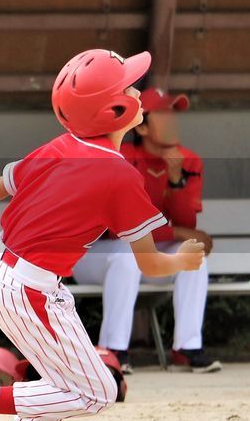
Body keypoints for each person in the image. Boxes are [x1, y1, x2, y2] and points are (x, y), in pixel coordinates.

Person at [0, 49, 205, 421]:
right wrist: (182, 262)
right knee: (96, 393)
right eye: (130, 89)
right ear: (113, 111)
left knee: (62, 385)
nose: (138, 92)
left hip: (8, 273)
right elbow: (151, 263)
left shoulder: (61, 146)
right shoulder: (119, 176)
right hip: (27, 287)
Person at [71, 88, 219, 373]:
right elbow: (119, 230)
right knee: (127, 254)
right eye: (163, 115)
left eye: (174, 114)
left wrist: (176, 181)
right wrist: (176, 234)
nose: (172, 121)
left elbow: (186, 222)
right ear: (141, 126)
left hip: (149, 256)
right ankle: (113, 351)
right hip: (94, 255)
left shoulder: (188, 160)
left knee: (193, 258)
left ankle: (187, 348)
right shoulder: (120, 157)